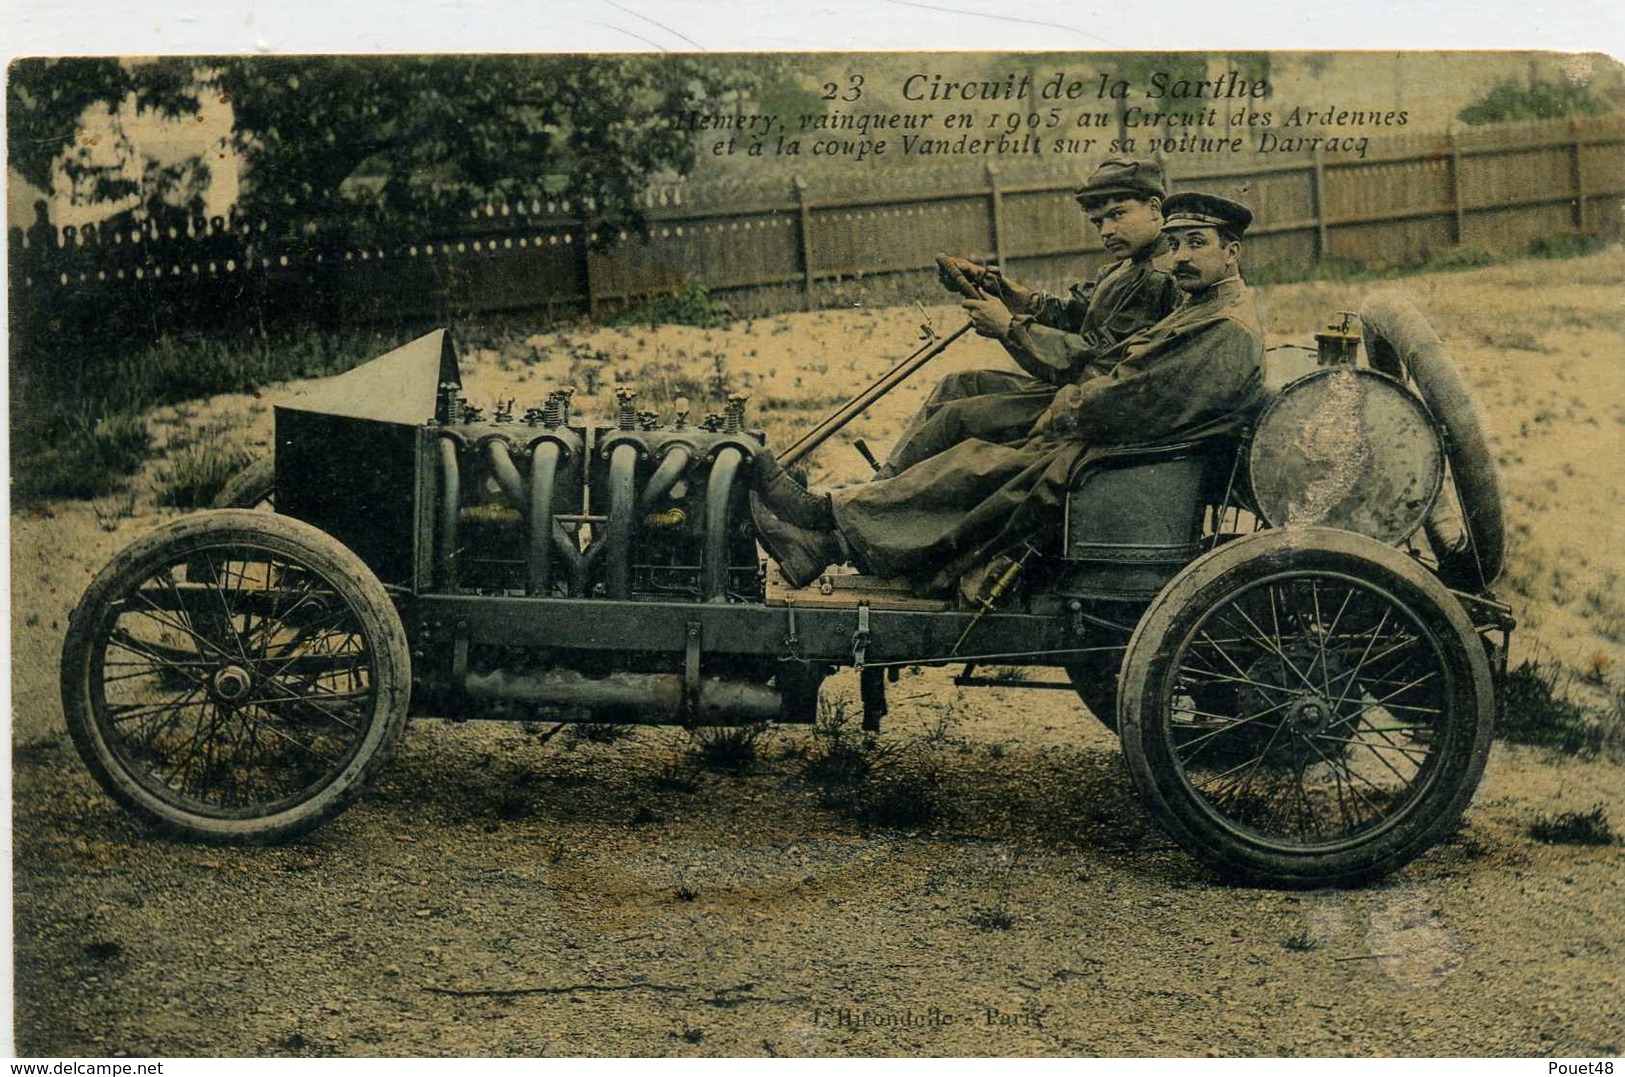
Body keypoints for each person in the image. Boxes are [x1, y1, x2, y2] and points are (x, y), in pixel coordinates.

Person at [753, 191, 1267, 593]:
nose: (1180, 257)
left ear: (1232, 251)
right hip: (1121, 438)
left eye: (1196, 244)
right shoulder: (1198, 305)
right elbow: (1121, 371)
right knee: (975, 440)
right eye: (1176, 245)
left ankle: (828, 527)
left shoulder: (1221, 326)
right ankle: (830, 527)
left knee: (980, 463)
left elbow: (1129, 394)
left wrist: (1062, 407)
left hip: (1126, 453)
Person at [879, 158, 1181, 476]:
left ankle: (881, 496)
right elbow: (1071, 315)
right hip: (1071, 391)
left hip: (1088, 403)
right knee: (959, 384)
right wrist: (996, 285)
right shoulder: (1125, 267)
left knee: (956, 417)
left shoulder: (1158, 277)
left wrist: (1009, 328)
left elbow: (1097, 358)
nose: (1106, 231)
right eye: (1098, 222)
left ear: (1153, 207)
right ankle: (888, 481)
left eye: (1117, 215)